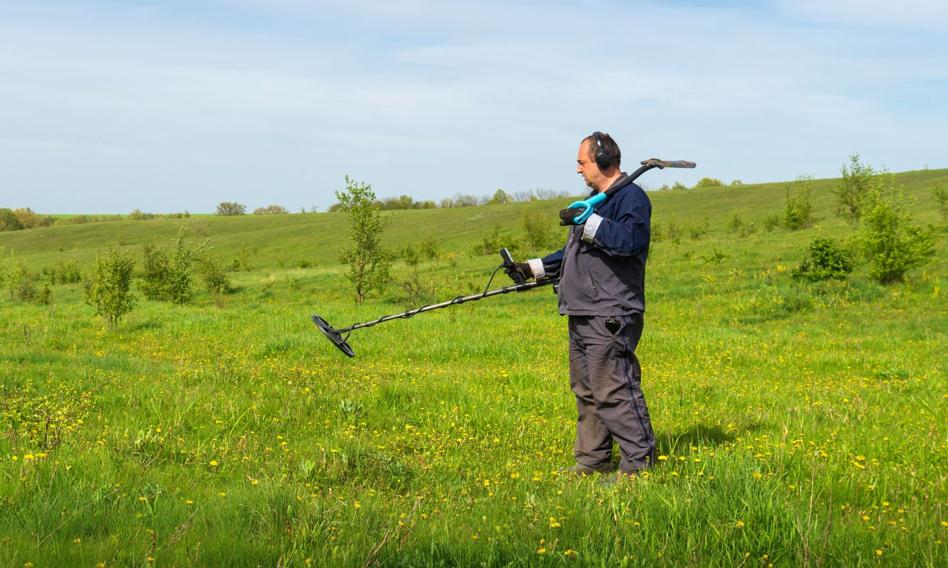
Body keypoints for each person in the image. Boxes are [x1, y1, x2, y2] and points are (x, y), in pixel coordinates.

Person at [506, 131, 656, 476]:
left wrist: (588, 221)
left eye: (582, 162)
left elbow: (629, 241)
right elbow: (573, 252)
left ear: (602, 160)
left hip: (611, 311)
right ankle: (592, 459)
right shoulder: (596, 201)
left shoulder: (630, 198)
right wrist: (532, 268)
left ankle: (638, 468)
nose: (578, 169)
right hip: (582, 309)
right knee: (587, 390)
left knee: (614, 388)